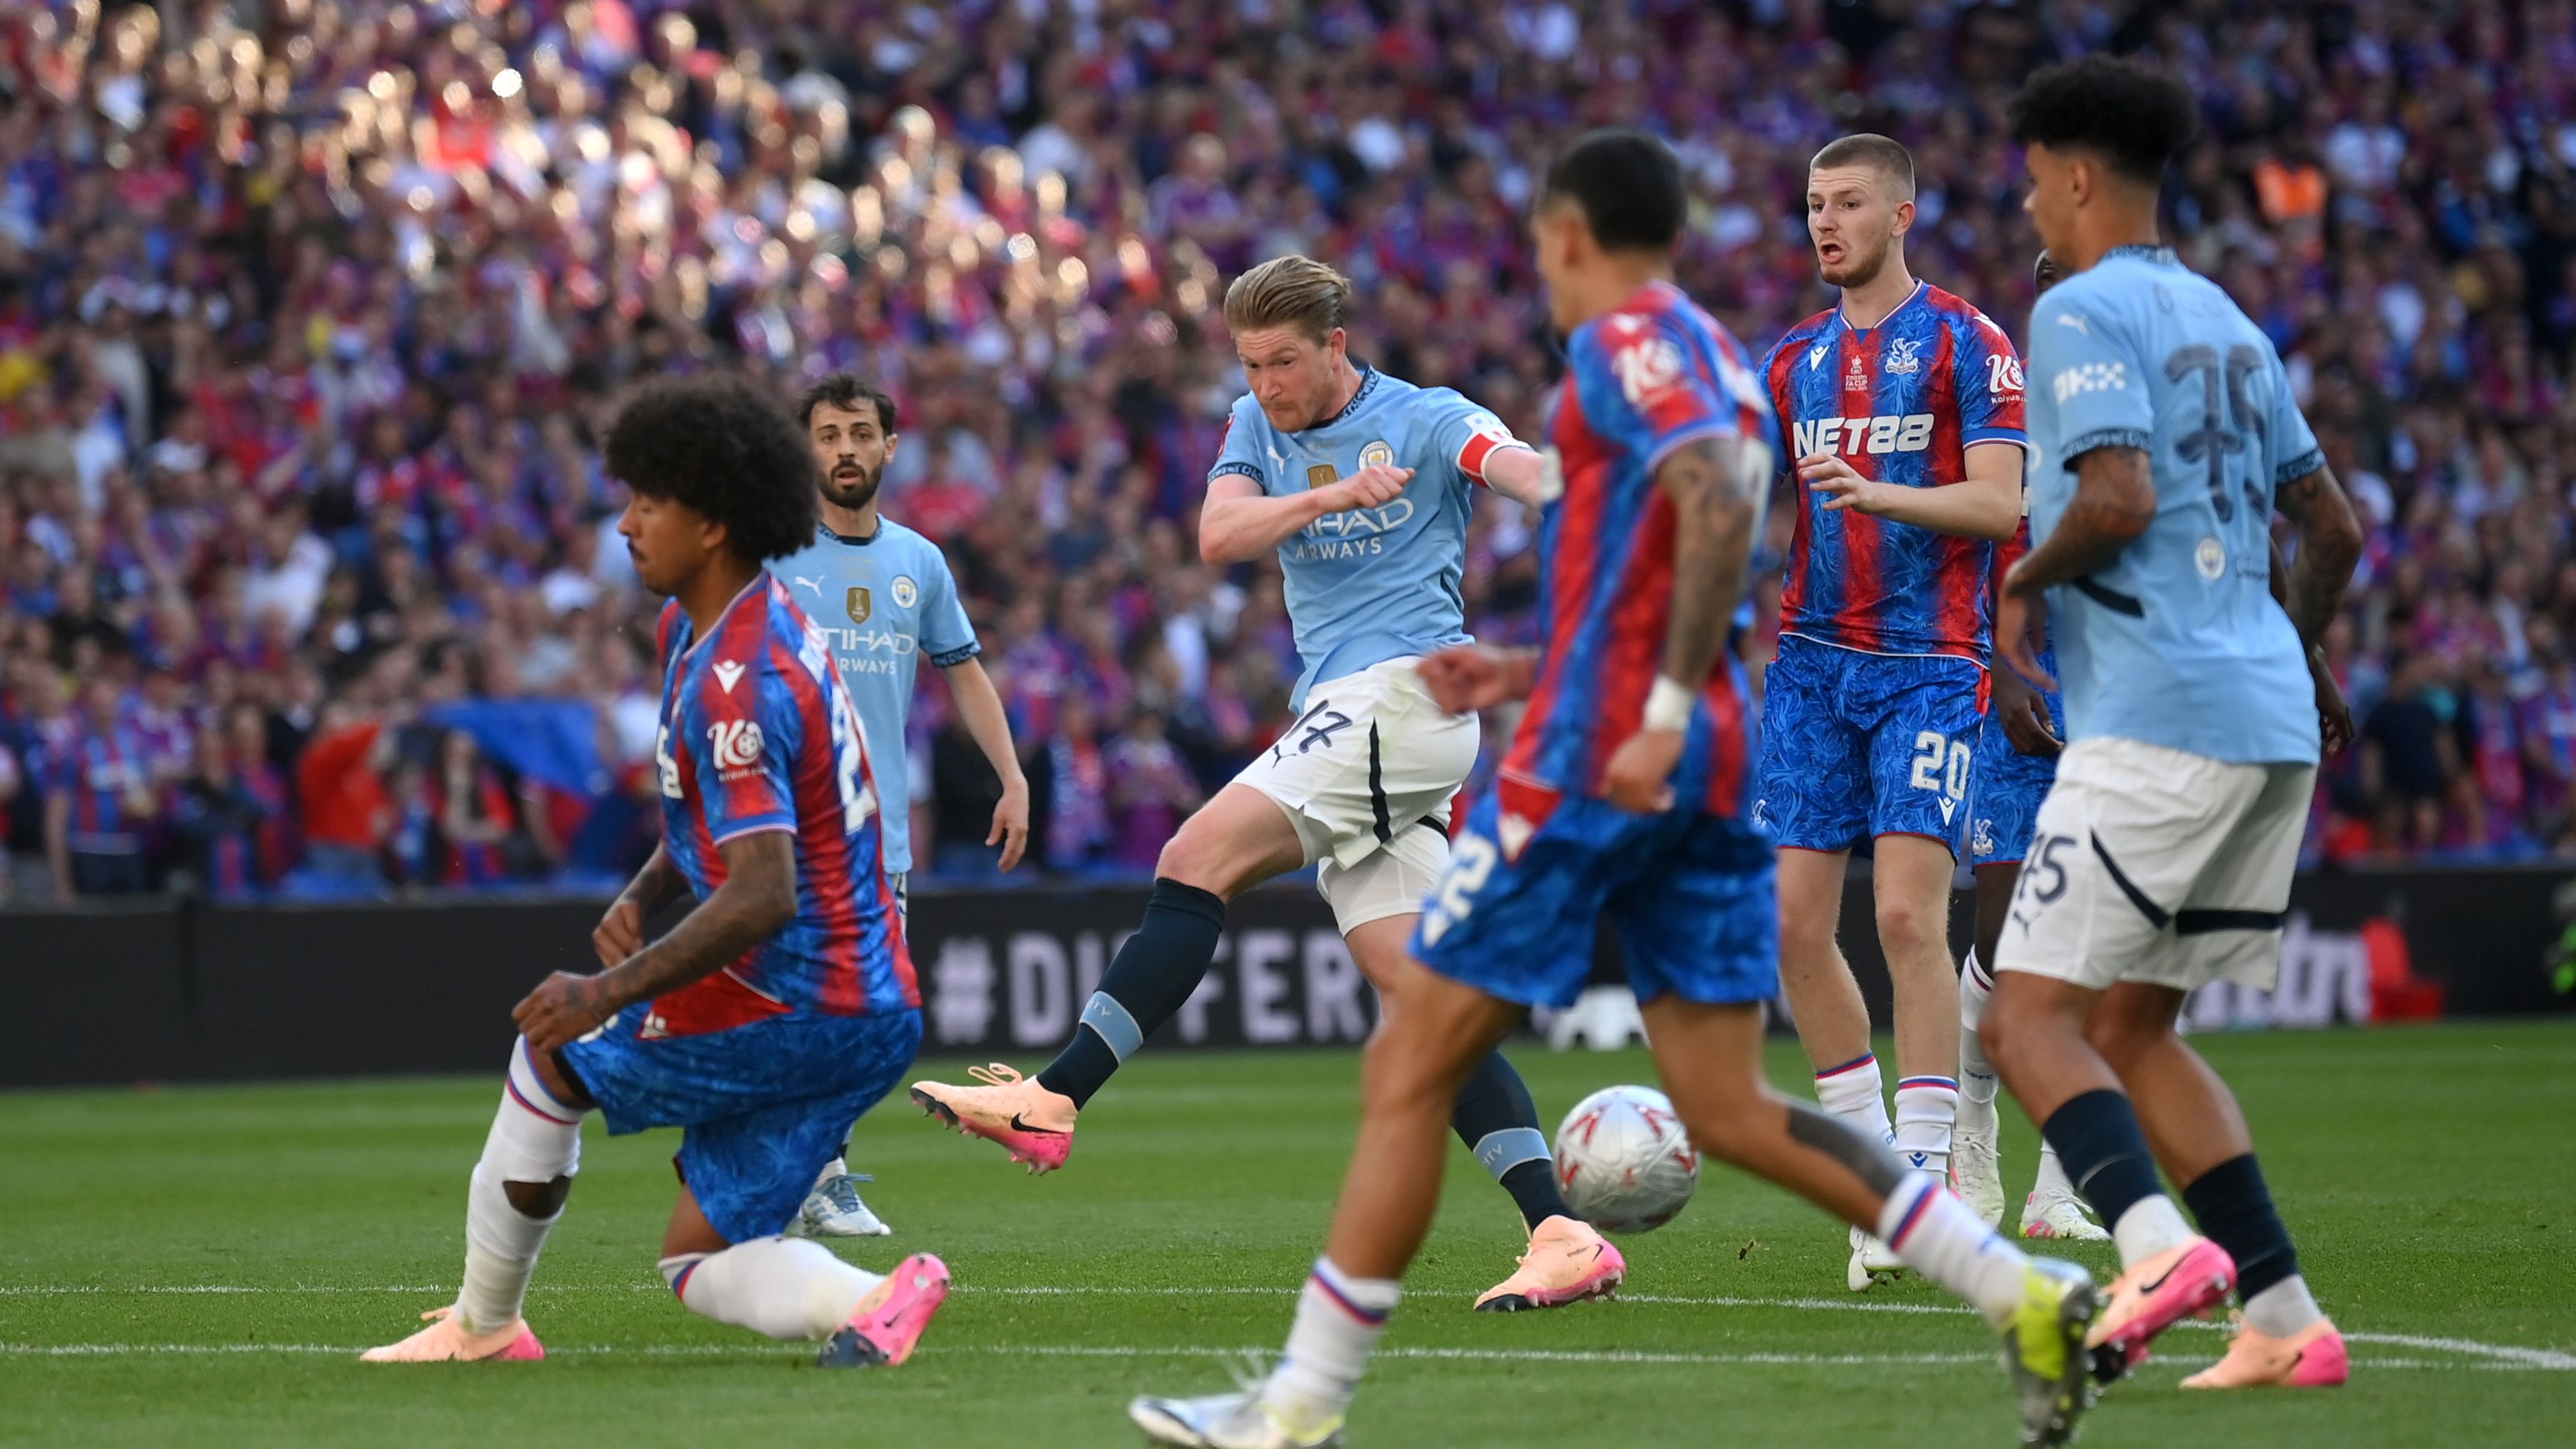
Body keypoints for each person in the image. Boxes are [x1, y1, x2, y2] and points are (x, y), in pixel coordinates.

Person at [1127, 130, 2097, 1449]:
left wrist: (1631, 701)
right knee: (1726, 1105)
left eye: (1541, 241)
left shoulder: (1629, 344)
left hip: (1603, 754)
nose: (1538, 265)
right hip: (1690, 735)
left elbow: (1713, 501)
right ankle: (2021, 1286)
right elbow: (1679, 528)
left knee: (1410, 1057)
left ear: (1576, 237)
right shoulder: (1710, 346)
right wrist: (1538, 663)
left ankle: (1296, 1405)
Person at [911, 253, 1618, 1314]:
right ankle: (1561, 1230)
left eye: (1284, 361)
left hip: (1405, 697)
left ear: (1336, 345)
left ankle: (1054, 1097)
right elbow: (1216, 534)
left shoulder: (1427, 419)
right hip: (1353, 720)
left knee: (1193, 858)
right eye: (1250, 364)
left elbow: (1515, 467)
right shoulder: (1258, 426)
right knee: (1421, 999)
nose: (1267, 384)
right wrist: (1329, 490)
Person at [364, 373, 947, 1369]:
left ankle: (486, 1327)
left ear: (713, 522)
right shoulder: (711, 625)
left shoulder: (740, 676)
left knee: (549, 1052)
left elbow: (765, 889)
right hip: (871, 1002)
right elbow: (722, 827)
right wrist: (643, 892)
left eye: (647, 502)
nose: (625, 524)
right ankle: (881, 1296)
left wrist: (606, 989)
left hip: (799, 995)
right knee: (696, 1260)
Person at [1980, 55, 2364, 1391]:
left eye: (2034, 179)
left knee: (2024, 1022)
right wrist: (2297, 656)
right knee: (2134, 1029)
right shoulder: (2227, 321)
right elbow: (2330, 526)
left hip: (2155, 719)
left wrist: (2017, 596)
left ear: (2077, 177)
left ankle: (2153, 1246)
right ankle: (2281, 1314)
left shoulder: (2080, 311)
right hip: (2264, 720)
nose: (2029, 203)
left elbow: (2117, 499)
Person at [1954, 251, 2357, 1240]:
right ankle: (1971, 1135)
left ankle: (2065, 1197)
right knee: (2016, 951)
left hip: (2122, 708)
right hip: (2024, 691)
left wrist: (2304, 659)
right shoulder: (2005, 383)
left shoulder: (2145, 392)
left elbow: (2239, 536)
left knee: (2074, 990)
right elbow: (1961, 537)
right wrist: (1994, 662)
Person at [1751, 133, 2027, 1290]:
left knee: (1911, 920)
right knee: (1792, 927)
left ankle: (1924, 1179)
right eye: (1814, 205)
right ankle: (1874, 1175)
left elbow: (2002, 502)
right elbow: (1786, 516)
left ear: (1901, 213)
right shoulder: (1788, 364)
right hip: (1810, 664)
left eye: (1848, 202)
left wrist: (1882, 492)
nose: (1825, 222)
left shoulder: (1971, 343)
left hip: (1926, 660)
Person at [772, 373, 1030, 1240]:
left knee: (875, 1017)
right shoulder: (769, 555)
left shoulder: (918, 561)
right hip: (787, 828)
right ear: (805, 448)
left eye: (859, 433)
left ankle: (809, 1165)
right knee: (816, 1006)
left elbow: (963, 670)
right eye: (827, 434)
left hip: (878, 834)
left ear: (889, 447)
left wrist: (1013, 775)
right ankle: (820, 1171)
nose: (844, 448)